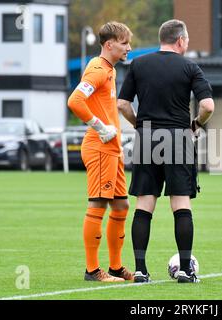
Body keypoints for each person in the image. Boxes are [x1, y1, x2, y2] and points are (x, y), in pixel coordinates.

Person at [117, 19, 214, 283]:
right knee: (180, 204)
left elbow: (123, 104)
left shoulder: (138, 64)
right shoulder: (190, 67)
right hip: (178, 137)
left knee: (144, 204)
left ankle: (139, 270)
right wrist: (195, 124)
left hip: (147, 137)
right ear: (180, 40)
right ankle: (185, 268)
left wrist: (140, 125)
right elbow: (207, 106)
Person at [67, 21, 134, 282]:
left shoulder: (109, 69)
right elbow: (75, 100)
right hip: (100, 147)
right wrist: (99, 126)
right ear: (110, 44)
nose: (129, 48)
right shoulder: (98, 69)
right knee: (99, 203)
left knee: (121, 205)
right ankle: (93, 270)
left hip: (111, 149)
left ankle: (116, 267)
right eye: (125, 43)